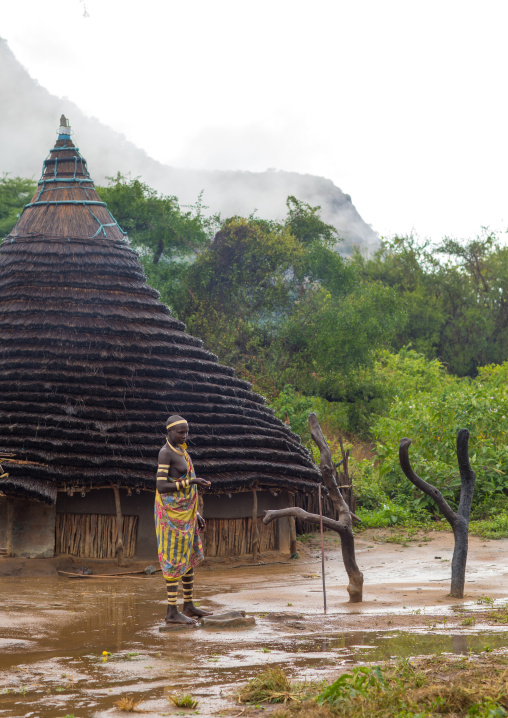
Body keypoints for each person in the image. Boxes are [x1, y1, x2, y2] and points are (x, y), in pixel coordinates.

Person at [154, 415, 213, 624]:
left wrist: (196, 513)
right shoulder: (166, 453)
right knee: (173, 561)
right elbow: (161, 486)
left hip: (187, 515)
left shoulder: (183, 451)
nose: (184, 435)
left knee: (188, 558)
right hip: (171, 518)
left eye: (186, 431)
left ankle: (188, 606)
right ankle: (171, 612)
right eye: (180, 432)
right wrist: (192, 481)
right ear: (169, 432)